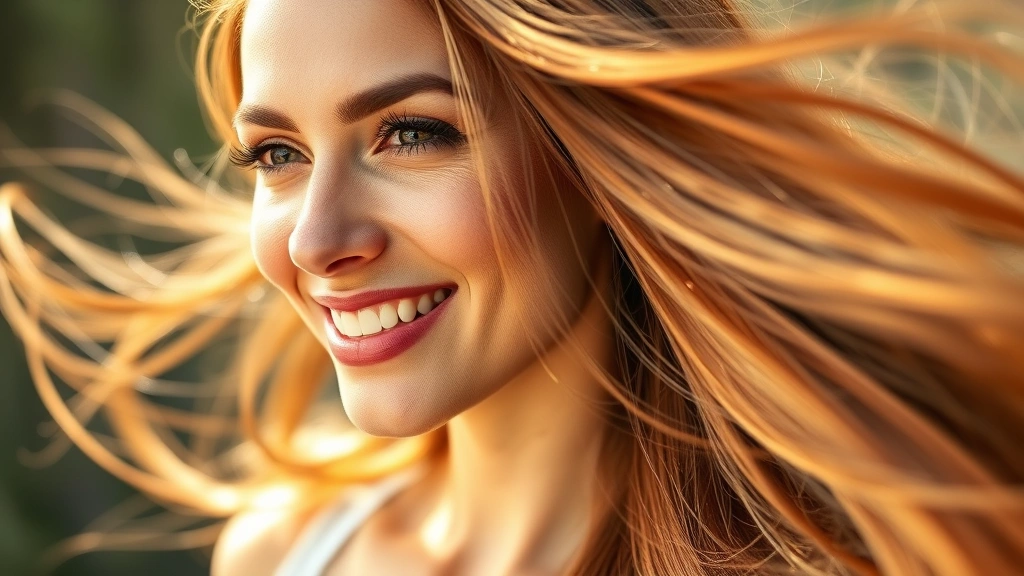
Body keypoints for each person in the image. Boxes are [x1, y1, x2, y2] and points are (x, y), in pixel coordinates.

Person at [2, 0, 1023, 574]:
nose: (315, 240)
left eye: (412, 134)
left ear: (599, 156)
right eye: (277, 154)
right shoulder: (284, 552)